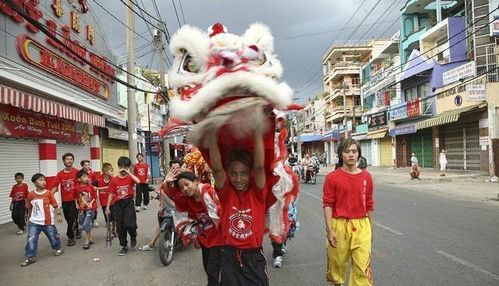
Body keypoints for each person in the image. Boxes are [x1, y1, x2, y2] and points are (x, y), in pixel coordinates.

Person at [209, 128, 270, 286]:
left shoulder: (258, 193)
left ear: (250, 174)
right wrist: (211, 131)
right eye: (233, 173)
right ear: (228, 173)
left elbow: (258, 166)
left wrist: (257, 128)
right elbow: (216, 168)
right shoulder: (227, 192)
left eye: (243, 173)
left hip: (254, 258)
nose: (238, 179)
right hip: (229, 258)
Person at [322, 138, 374, 286]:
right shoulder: (332, 177)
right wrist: (330, 230)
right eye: (347, 151)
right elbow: (328, 204)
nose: (351, 155)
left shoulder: (366, 177)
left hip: (362, 225)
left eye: (354, 151)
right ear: (341, 155)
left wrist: (371, 227)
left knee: (362, 266)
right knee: (337, 263)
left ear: (358, 154)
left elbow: (369, 204)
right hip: (339, 225)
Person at [166, 170, 224, 286]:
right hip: (204, 238)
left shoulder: (209, 193)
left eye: (187, 184)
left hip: (219, 239)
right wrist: (167, 183)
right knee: (208, 269)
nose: (185, 189)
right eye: (182, 187)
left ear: (196, 181)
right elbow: (171, 198)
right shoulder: (185, 199)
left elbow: (222, 211)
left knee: (213, 272)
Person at [138, 159, 182, 252]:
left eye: (177, 167)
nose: (175, 169)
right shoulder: (168, 178)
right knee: (161, 222)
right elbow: (164, 189)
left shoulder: (184, 178)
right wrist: (166, 182)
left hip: (182, 207)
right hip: (169, 206)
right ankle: (151, 244)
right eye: (173, 168)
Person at [21, 173, 64, 267]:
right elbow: (29, 208)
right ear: (35, 183)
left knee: (53, 236)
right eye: (40, 180)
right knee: (31, 239)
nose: (44, 182)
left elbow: (55, 205)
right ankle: (30, 256)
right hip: (34, 222)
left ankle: (58, 248)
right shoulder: (31, 195)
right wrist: (28, 219)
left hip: (47, 221)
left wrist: (59, 215)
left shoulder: (48, 193)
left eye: (44, 180)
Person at [105, 156, 141, 256]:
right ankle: (124, 246)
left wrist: (129, 172)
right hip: (118, 204)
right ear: (118, 166)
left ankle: (133, 236)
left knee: (130, 224)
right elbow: (111, 193)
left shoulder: (130, 177)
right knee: (120, 227)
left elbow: (138, 181)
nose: (123, 168)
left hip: (128, 203)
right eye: (121, 166)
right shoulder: (114, 180)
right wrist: (107, 207)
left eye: (126, 167)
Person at [51, 153, 80, 246]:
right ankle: (76, 228)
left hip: (75, 200)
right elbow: (55, 187)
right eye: (67, 159)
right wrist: (47, 196)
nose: (69, 161)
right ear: (64, 161)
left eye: (71, 159)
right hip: (65, 201)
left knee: (71, 218)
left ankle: (70, 236)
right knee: (68, 219)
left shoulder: (77, 172)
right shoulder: (60, 174)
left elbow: (83, 183)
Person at [75, 170, 98, 249]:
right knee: (81, 222)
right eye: (84, 177)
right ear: (79, 179)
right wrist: (77, 204)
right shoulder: (77, 188)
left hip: (90, 208)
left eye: (87, 176)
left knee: (87, 223)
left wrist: (91, 203)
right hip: (82, 209)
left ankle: (87, 241)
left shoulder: (91, 187)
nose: (86, 178)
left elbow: (95, 197)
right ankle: (90, 238)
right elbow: (75, 197)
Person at [96, 163, 116, 237]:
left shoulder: (113, 179)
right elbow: (93, 187)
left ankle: (114, 230)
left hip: (113, 202)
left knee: (114, 219)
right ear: (106, 172)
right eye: (111, 171)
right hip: (104, 203)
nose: (112, 172)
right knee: (107, 219)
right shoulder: (98, 180)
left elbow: (112, 188)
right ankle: (109, 233)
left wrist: (100, 188)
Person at [81, 159, 99, 227]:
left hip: (92, 191)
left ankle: (95, 219)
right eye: (86, 165)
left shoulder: (93, 173)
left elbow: (96, 182)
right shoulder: (81, 173)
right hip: (84, 192)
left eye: (88, 165)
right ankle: (86, 219)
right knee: (85, 206)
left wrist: (94, 186)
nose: (87, 166)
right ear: (82, 166)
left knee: (94, 206)